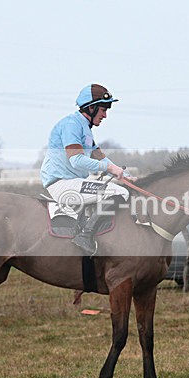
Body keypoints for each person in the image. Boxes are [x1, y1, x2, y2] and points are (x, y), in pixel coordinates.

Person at [40, 83, 129, 255]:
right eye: (103, 110)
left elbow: (100, 156)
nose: (105, 115)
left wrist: (124, 175)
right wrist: (110, 168)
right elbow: (77, 160)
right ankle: (85, 237)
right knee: (118, 193)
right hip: (63, 183)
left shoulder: (85, 129)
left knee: (121, 188)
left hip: (75, 181)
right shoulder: (71, 125)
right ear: (92, 108)